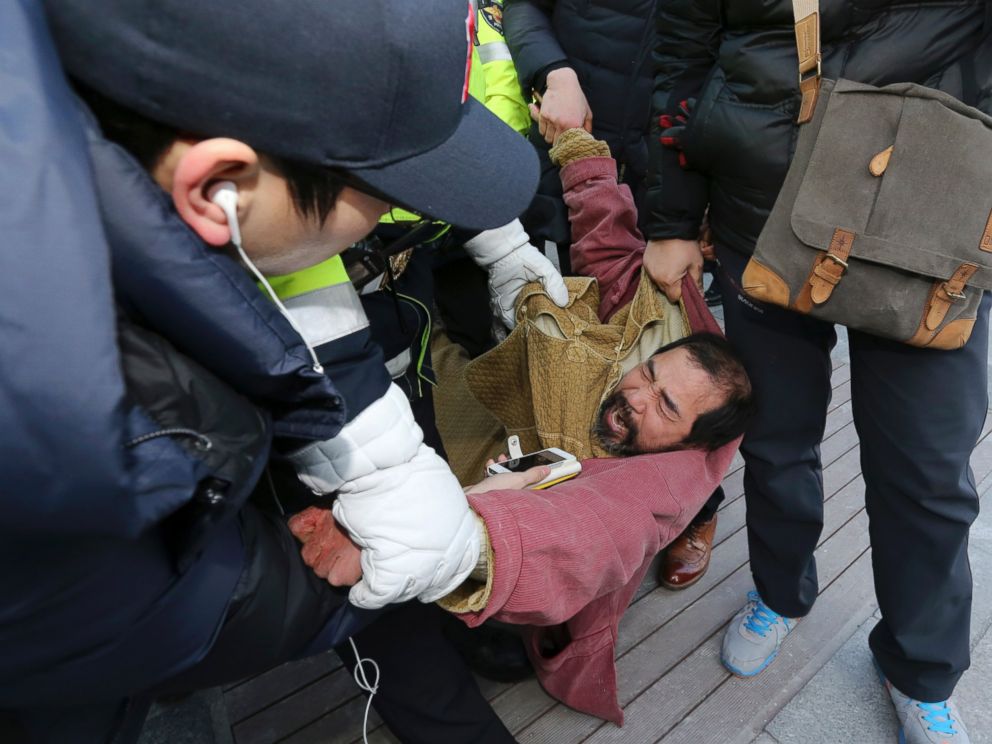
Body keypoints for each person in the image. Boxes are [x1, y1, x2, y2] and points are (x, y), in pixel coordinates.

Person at [1, 0, 557, 742]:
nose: (400, 214)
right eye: (387, 193)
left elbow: (284, 271)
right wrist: (378, 569)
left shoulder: (113, 153)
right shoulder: (49, 405)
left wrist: (384, 469)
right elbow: (125, 606)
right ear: (221, 185)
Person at [290, 128, 755, 724]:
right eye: (650, 376)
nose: (640, 396)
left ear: (692, 442)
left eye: (667, 408)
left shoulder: (665, 482)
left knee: (507, 650)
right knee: (426, 343)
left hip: (499, 520)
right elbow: (608, 243)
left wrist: (463, 547)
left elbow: (592, 532)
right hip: (478, 407)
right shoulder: (625, 348)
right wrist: (579, 149)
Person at [644, 2, 992, 742]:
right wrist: (672, 221)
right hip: (763, 215)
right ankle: (780, 590)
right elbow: (678, 57)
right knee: (774, 441)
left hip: (933, 220)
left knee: (927, 474)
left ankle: (920, 670)